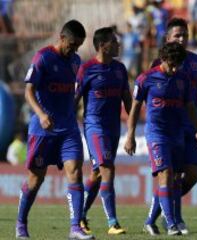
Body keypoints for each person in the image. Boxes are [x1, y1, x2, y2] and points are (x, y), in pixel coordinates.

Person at [15, 20, 94, 240]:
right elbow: (28, 91)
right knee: (35, 179)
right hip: (43, 130)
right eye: (72, 44)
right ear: (61, 37)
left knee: (75, 172)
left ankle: (75, 228)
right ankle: (21, 223)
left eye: (78, 45)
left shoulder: (76, 61)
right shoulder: (43, 57)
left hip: (68, 128)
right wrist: (41, 115)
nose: (75, 49)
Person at [144, 17, 197, 235]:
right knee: (171, 176)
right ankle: (173, 218)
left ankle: (156, 216)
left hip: (192, 126)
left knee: (193, 174)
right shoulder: (158, 64)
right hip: (169, 128)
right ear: (168, 38)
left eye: (185, 35)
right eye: (177, 35)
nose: (182, 38)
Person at [124, 42, 197, 236]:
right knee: (166, 174)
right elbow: (135, 108)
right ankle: (171, 224)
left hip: (177, 133)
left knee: (175, 179)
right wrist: (130, 135)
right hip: (156, 134)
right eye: (172, 64)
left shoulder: (183, 80)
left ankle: (150, 221)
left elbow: (191, 106)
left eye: (178, 64)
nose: (175, 68)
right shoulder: (146, 78)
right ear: (163, 59)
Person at [75, 27, 132, 235]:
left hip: (113, 127)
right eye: (114, 41)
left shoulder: (120, 69)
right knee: (107, 169)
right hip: (94, 125)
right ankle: (112, 223)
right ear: (102, 46)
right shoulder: (87, 69)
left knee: (98, 173)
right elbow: (75, 98)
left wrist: (132, 129)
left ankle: (79, 215)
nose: (118, 44)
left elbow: (127, 100)